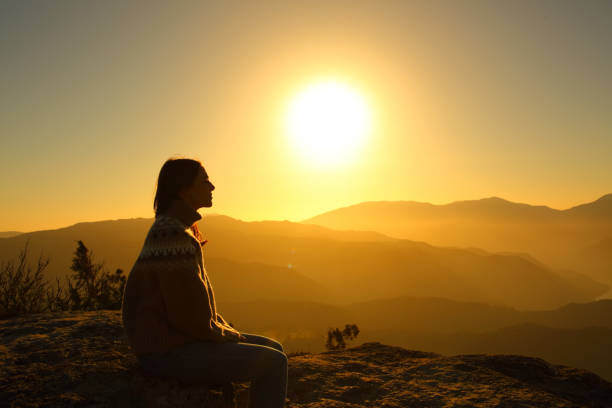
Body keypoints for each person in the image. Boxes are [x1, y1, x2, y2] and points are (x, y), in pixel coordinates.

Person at [121, 157, 288, 408]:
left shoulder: (176, 228)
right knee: (274, 363)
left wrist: (225, 332)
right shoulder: (172, 234)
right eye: (205, 180)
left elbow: (192, 310)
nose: (212, 187)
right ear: (183, 188)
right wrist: (225, 335)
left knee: (274, 348)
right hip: (166, 351)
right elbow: (187, 316)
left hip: (174, 342)